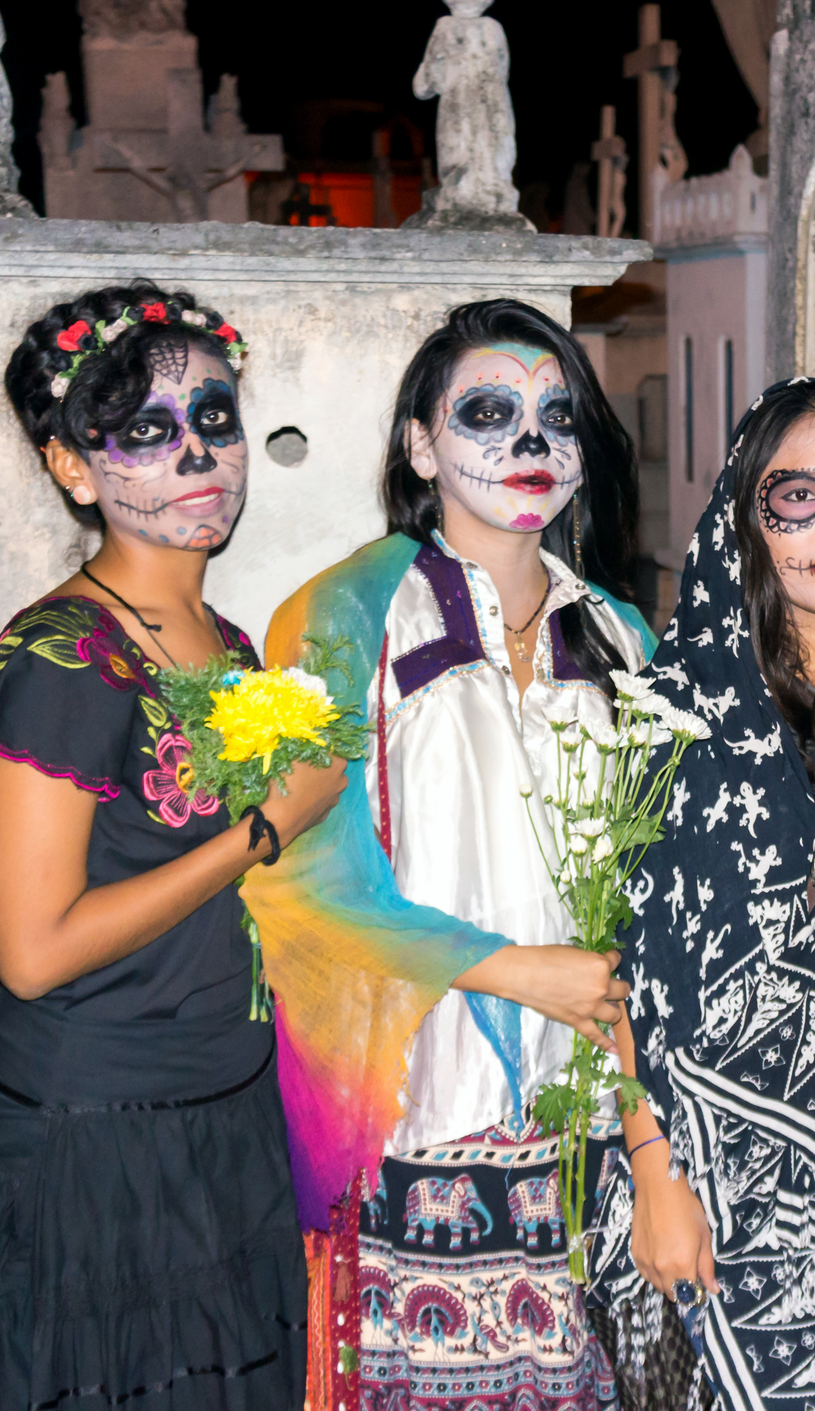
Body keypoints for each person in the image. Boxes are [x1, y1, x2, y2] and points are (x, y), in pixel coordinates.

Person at [0, 282, 345, 1409]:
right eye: (145, 432)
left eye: (213, 418)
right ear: (73, 466)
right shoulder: (65, 660)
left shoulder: (227, 645)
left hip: (225, 1117)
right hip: (93, 1144)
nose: (197, 453)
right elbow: (30, 949)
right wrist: (264, 828)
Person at [240, 299, 654, 1411]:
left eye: (556, 416)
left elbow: (652, 890)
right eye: (487, 411)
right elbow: (299, 882)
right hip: (414, 1126)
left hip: (585, 1137)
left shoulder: (623, 638)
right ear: (421, 444)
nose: (531, 443)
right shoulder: (338, 616)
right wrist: (512, 969)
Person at [597, 373, 815, 1411]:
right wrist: (655, 1176)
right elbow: (616, 961)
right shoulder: (675, 704)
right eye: (795, 497)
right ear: (744, 519)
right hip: (696, 1188)